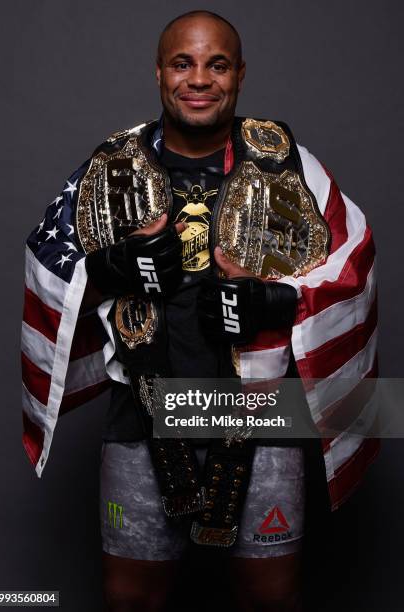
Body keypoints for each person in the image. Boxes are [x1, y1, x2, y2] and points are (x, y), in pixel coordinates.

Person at [21, 10, 379, 612]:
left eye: (217, 64)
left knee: (270, 597)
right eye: (183, 63)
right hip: (144, 413)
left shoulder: (287, 160)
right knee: (132, 599)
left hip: (259, 415)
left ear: (239, 75)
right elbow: (46, 260)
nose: (199, 79)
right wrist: (114, 266)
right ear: (159, 72)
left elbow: (354, 260)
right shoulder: (114, 165)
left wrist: (275, 298)